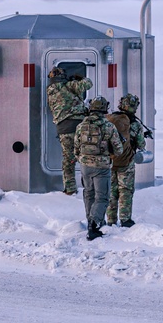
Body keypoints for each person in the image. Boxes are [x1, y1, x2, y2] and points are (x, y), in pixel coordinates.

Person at [73, 96, 123, 240]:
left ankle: (91, 220)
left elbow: (76, 148)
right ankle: (94, 225)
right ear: (104, 109)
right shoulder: (109, 126)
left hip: (85, 166)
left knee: (89, 193)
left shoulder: (81, 126)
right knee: (102, 197)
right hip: (102, 166)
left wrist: (83, 159)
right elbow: (118, 150)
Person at [46, 67, 93, 195]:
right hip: (79, 126)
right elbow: (89, 83)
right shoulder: (70, 85)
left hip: (63, 129)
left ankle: (70, 188)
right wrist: (81, 78)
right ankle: (90, 185)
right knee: (87, 155)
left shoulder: (50, 91)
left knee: (68, 159)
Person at [105, 93, 148, 228]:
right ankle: (125, 219)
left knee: (111, 191)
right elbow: (141, 144)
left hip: (109, 161)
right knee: (126, 190)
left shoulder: (110, 119)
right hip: (126, 162)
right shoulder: (135, 124)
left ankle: (111, 220)